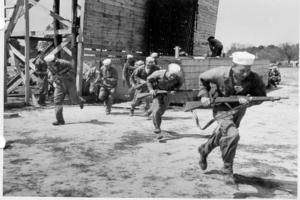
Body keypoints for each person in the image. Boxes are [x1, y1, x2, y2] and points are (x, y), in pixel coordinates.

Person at [197, 51, 266, 184]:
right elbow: (202, 78)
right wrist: (204, 95)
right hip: (221, 108)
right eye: (242, 70)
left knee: (224, 135)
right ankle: (227, 169)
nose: (246, 73)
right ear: (233, 66)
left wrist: (249, 100)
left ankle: (204, 150)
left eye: (248, 70)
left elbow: (261, 96)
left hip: (238, 111)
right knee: (232, 134)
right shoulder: (219, 73)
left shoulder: (254, 78)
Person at [44, 54, 85, 125]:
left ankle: (80, 101)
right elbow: (50, 73)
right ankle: (60, 120)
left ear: (54, 61)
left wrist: (62, 75)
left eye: (50, 63)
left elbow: (73, 72)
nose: (49, 65)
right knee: (57, 101)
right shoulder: (49, 65)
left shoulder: (65, 63)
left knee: (74, 100)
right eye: (48, 63)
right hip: (59, 84)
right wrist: (52, 78)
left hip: (69, 83)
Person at [147, 63, 183, 134]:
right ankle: (157, 127)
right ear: (168, 72)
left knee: (161, 112)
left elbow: (179, 84)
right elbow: (148, 80)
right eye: (172, 75)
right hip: (157, 93)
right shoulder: (158, 73)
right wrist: (151, 89)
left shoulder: (178, 77)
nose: (173, 78)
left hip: (167, 94)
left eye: (175, 76)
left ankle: (151, 110)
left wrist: (175, 90)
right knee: (156, 111)